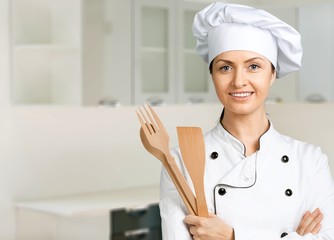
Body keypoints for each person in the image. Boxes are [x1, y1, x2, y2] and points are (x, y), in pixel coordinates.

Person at [159, 2, 334, 239]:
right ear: (212, 75)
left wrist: (232, 236)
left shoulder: (310, 161)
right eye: (225, 68)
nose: (239, 81)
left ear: (272, 74)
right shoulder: (180, 161)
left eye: (254, 66)